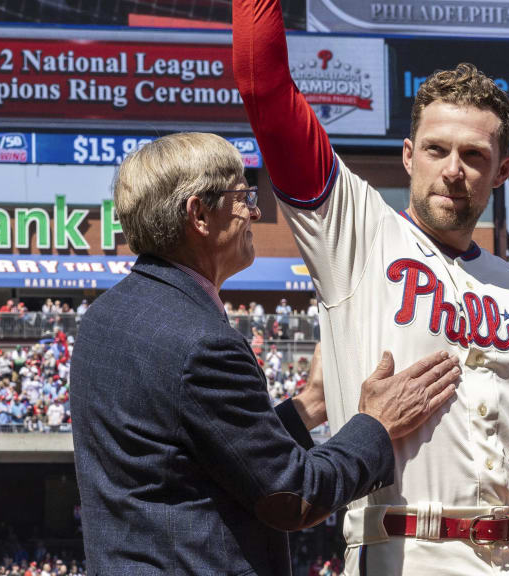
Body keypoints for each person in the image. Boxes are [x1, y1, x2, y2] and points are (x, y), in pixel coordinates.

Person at [233, 3, 509, 574]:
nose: (453, 169)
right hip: (407, 551)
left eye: (474, 155)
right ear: (410, 155)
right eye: (437, 149)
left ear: (503, 170)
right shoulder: (357, 237)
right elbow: (264, 89)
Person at [70, 132, 463, 575]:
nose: (255, 211)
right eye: (243, 197)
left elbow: (195, 460)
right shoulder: (203, 343)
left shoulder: (102, 317)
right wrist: (376, 425)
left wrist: (307, 408)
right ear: (199, 214)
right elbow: (293, 498)